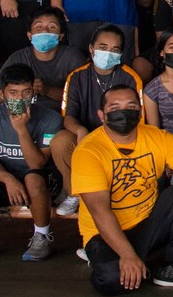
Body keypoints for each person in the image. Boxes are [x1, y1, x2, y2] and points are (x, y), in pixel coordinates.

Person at [75, 83, 173, 294]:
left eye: (131, 106)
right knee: (113, 282)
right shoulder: (88, 151)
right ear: (101, 115)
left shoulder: (157, 137)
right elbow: (99, 210)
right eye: (115, 108)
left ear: (140, 111)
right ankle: (115, 258)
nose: (123, 112)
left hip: (148, 223)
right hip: (103, 234)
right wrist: (127, 255)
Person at [0, 63, 64, 263]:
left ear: (33, 92)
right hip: (7, 177)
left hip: (41, 180)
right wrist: (8, 180)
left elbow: (37, 164)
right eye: (13, 93)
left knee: (33, 178)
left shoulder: (50, 118)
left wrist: (22, 130)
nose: (19, 99)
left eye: (25, 92)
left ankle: (42, 236)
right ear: (2, 94)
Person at [51, 24, 149, 217]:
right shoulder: (77, 77)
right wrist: (80, 130)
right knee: (60, 141)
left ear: (121, 53)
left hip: (119, 137)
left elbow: (137, 120)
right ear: (91, 48)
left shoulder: (130, 78)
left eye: (115, 50)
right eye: (103, 48)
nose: (108, 53)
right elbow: (68, 116)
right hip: (85, 138)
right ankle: (75, 193)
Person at [0, 6, 82, 109]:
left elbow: (82, 98)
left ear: (61, 35)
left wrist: (47, 90)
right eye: (39, 27)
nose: (45, 31)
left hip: (58, 117)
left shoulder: (73, 57)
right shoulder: (18, 58)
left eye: (52, 27)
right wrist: (15, 91)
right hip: (21, 113)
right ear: (29, 35)